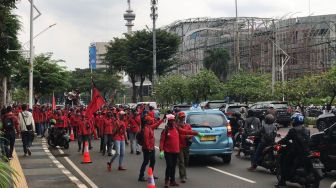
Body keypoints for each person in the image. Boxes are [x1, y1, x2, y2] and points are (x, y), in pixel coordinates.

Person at [159, 114, 203, 188]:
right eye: (171, 121)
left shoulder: (177, 129)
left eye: (173, 121)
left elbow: (185, 131)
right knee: (169, 166)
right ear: (168, 122)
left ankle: (172, 181)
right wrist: (161, 150)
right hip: (168, 151)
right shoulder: (165, 130)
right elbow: (162, 141)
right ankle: (166, 181)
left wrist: (197, 133)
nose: (172, 122)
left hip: (176, 151)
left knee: (173, 166)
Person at [275, 113, 310, 187]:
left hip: (296, 152)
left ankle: (282, 182)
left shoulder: (293, 130)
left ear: (295, 121)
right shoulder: (307, 130)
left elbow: (286, 139)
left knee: (285, 162)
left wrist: (278, 142)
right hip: (307, 152)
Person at [138, 115, 164, 181]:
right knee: (146, 162)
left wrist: (162, 119)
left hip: (151, 148)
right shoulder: (146, 129)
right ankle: (141, 176)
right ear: (148, 121)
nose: (152, 120)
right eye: (150, 120)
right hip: (148, 149)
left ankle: (150, 174)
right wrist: (149, 148)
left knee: (152, 161)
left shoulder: (149, 127)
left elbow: (156, 124)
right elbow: (146, 140)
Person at [176, 112, 194, 183]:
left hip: (186, 146)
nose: (182, 118)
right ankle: (182, 176)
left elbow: (191, 133)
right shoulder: (176, 126)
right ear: (179, 118)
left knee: (186, 161)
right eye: (181, 117)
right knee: (181, 161)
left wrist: (189, 136)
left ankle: (183, 173)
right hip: (179, 146)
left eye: (183, 117)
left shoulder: (188, 125)